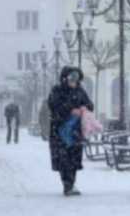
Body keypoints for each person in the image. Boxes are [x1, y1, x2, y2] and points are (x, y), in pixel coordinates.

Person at [48, 66, 94, 196]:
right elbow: (54, 105)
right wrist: (70, 110)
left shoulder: (80, 91)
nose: (74, 82)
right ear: (65, 79)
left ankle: (71, 183)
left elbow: (90, 104)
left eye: (76, 79)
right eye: (71, 79)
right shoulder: (57, 91)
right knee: (63, 158)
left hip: (76, 131)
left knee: (74, 158)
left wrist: (84, 108)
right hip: (60, 131)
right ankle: (67, 184)